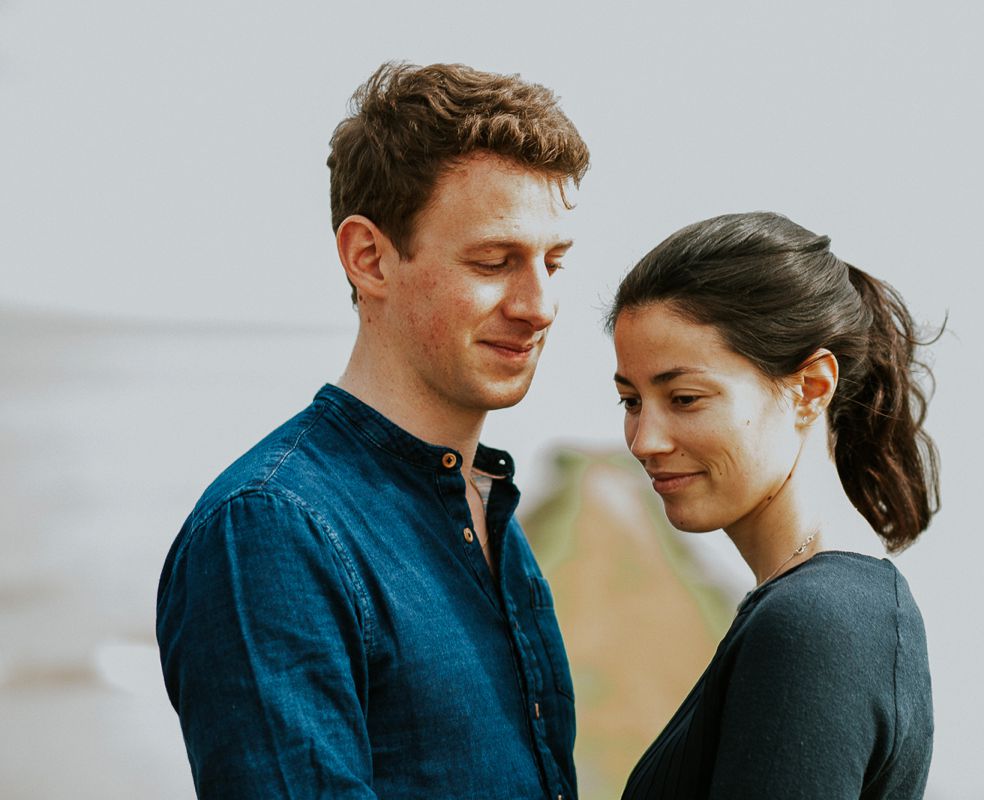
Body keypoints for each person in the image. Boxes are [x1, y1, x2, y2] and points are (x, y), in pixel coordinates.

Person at [156, 62, 588, 799]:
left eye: (553, 262)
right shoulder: (269, 530)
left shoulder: (490, 509)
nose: (539, 304)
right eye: (494, 261)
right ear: (369, 257)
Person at [609, 211, 939, 799]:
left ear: (811, 388)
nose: (644, 440)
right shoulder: (825, 606)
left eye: (684, 398)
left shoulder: (815, 625)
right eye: (631, 401)